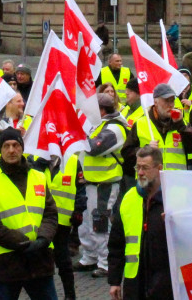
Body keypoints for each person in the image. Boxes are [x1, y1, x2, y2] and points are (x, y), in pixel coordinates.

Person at [0, 128, 58, 300]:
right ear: (0, 149)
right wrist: (23, 243)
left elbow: (50, 214)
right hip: (7, 262)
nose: (11, 150)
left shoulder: (39, 177)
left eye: (15, 145)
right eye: (6, 146)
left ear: (22, 147)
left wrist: (43, 240)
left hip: (39, 259)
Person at [108, 145, 171, 300]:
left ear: (159, 168)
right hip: (134, 283)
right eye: (138, 167)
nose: (140, 173)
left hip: (165, 283)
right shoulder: (128, 198)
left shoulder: (174, 198)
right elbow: (116, 244)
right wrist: (115, 281)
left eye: (145, 168)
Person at [78, 94, 129, 278]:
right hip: (92, 183)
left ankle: (106, 263)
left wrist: (78, 134)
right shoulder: (98, 125)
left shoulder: (115, 128)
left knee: (101, 223)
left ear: (101, 110)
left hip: (105, 184)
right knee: (88, 223)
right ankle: (90, 257)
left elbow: (94, 147)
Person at [120, 83, 192, 172]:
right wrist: (145, 150)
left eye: (172, 100)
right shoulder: (141, 123)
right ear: (155, 102)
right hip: (150, 181)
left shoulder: (181, 122)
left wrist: (181, 126)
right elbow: (126, 153)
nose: (170, 105)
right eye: (166, 101)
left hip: (176, 181)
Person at [48, 152, 79, 300]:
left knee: (63, 260)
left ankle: (70, 294)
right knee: (42, 260)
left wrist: (79, 210)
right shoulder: (35, 160)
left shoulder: (73, 161)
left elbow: (80, 188)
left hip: (63, 222)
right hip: (41, 220)